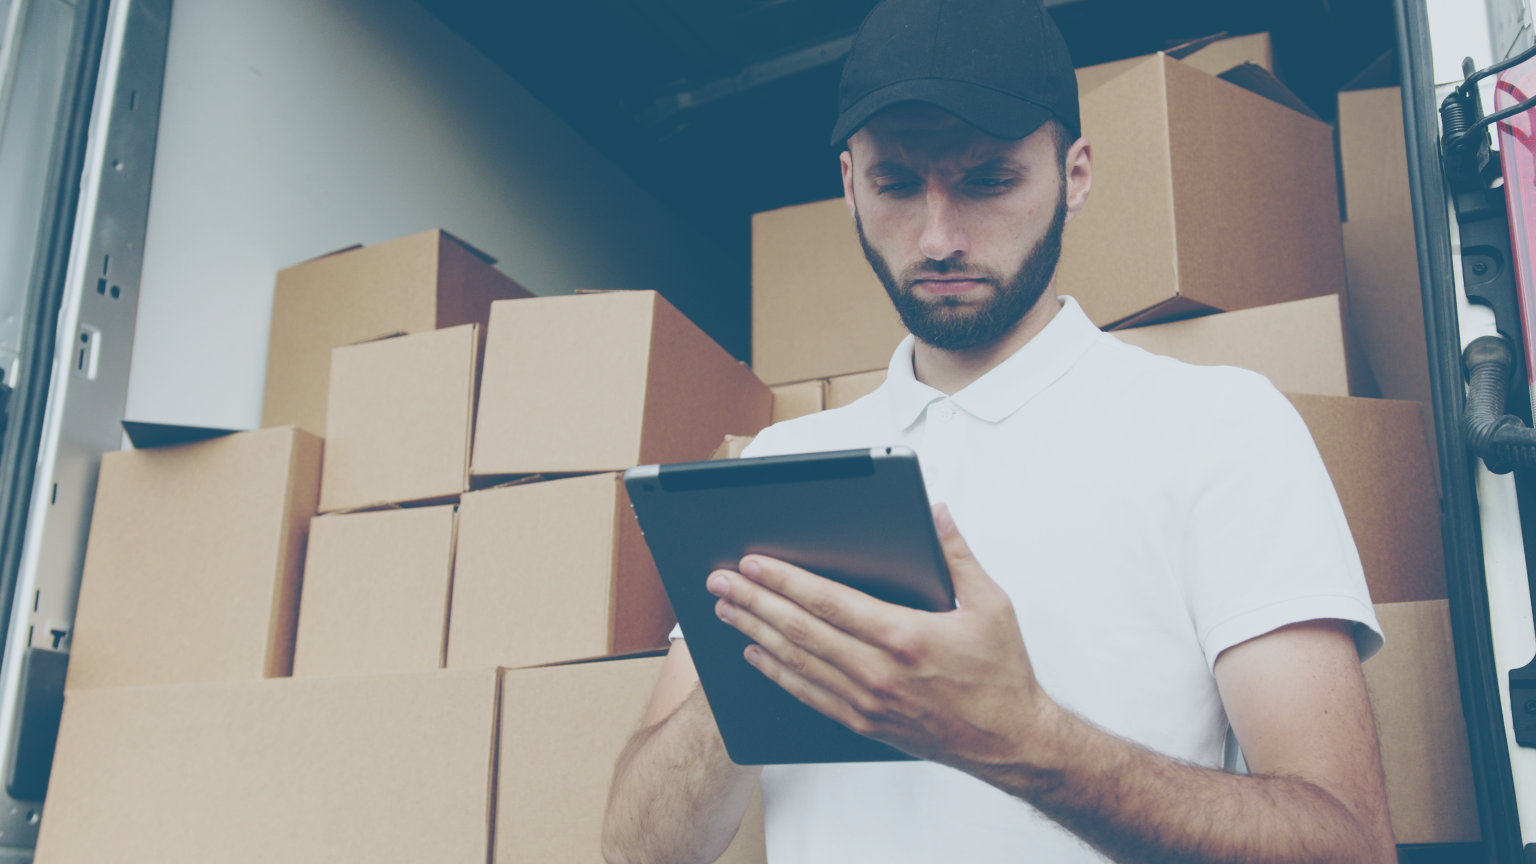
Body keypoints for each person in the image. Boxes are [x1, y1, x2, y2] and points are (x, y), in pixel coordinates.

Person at [602, 0, 1397, 861]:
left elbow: (1349, 846)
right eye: (896, 184)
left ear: (1077, 173)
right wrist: (761, 662)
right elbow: (639, 851)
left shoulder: (1220, 428)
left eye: (989, 180)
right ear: (847, 185)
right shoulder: (781, 465)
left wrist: (1024, 738)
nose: (939, 239)